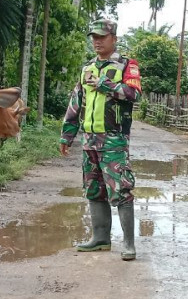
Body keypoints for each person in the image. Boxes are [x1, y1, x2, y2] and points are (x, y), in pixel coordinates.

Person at [60, 19, 142, 261]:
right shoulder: (87, 68)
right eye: (94, 37)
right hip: (89, 141)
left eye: (102, 37)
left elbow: (134, 94)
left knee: (121, 189)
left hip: (114, 140)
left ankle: (128, 244)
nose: (97, 41)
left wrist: (104, 85)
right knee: (94, 189)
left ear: (114, 38)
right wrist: (67, 134)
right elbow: (76, 103)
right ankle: (100, 239)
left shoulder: (127, 65)